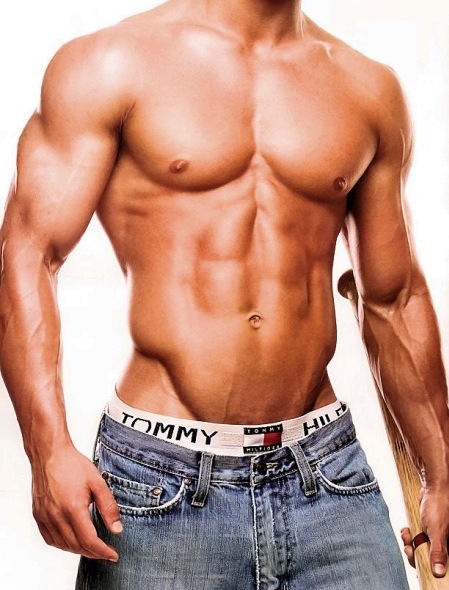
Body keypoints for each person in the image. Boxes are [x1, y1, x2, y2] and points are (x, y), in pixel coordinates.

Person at [1, 0, 448, 588]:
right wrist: (47, 450)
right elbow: (28, 253)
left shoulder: (366, 89)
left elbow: (395, 298)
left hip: (326, 476)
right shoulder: (111, 64)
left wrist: (441, 472)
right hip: (159, 483)